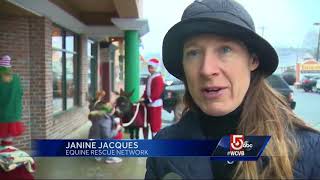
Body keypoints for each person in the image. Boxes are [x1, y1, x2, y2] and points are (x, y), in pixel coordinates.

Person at [145, 0, 320, 179]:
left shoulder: (310, 151)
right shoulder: (164, 148)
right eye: (193, 53)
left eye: (225, 49)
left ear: (253, 60)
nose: (206, 69)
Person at [88, 91, 122, 164]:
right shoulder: (105, 119)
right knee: (116, 135)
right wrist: (117, 129)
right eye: (113, 105)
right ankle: (110, 157)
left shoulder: (97, 110)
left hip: (94, 138)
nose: (115, 107)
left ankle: (98, 154)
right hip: (97, 140)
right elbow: (108, 135)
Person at [0, 55, 25, 146]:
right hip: (13, 114)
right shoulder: (16, 78)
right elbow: (21, 93)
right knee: (7, 141)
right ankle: (6, 158)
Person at [142, 58, 165, 138]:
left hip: (155, 105)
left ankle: (156, 139)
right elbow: (146, 90)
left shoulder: (158, 78)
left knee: (155, 124)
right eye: (149, 67)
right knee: (148, 122)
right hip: (149, 104)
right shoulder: (150, 77)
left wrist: (149, 100)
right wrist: (142, 98)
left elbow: (157, 92)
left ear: (156, 68)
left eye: (151, 67)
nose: (150, 69)